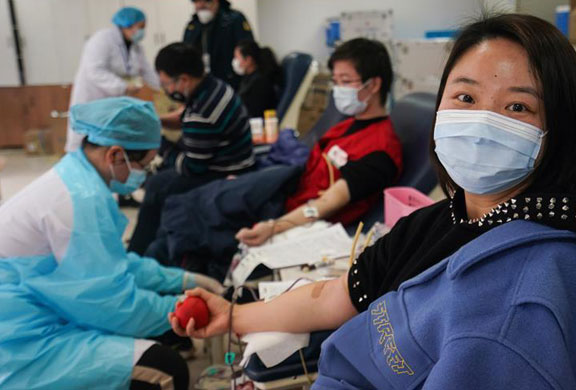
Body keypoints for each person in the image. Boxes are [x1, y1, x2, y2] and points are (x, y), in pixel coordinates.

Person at [170, 14, 576, 389]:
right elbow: (343, 293)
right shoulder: (446, 218)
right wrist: (232, 315)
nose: (482, 122)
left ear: (560, 131)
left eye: (517, 107)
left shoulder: (522, 302)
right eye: (465, 98)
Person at [0, 97, 223, 390]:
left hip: (37, 308)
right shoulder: (81, 199)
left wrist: (183, 279)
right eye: (144, 164)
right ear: (116, 154)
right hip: (20, 344)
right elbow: (113, 306)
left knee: (155, 335)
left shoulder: (76, 176)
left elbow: (112, 261)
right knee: (165, 370)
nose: (144, 174)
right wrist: (183, 309)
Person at [142, 38, 403, 275]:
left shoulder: (380, 151)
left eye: (345, 82)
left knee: (193, 221)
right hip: (283, 189)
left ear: (374, 84)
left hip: (291, 213)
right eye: (335, 81)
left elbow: (327, 203)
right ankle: (147, 268)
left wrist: (275, 226)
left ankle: (153, 274)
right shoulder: (347, 125)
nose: (337, 90)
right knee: (193, 206)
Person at [127, 43, 254, 255]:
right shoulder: (212, 85)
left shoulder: (203, 113)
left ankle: (138, 253)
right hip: (229, 158)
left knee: (157, 187)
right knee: (158, 181)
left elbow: (192, 167)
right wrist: (155, 121)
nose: (167, 90)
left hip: (226, 172)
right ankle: (146, 241)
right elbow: (183, 116)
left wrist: (160, 147)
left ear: (183, 80)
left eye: (167, 84)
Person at [66, 7, 160, 153]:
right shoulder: (102, 39)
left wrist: (165, 86)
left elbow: (146, 71)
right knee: (84, 138)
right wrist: (123, 87)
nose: (142, 32)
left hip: (112, 100)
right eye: (140, 27)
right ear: (127, 25)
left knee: (106, 140)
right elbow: (95, 70)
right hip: (92, 96)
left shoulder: (136, 47)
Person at [184, 0, 254, 89]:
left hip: (232, 80)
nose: (200, 5)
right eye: (197, 2)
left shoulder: (234, 19)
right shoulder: (192, 26)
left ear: (216, 2)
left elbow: (248, 48)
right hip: (203, 82)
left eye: (205, 2)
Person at [233, 39, 281, 118]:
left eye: (237, 58)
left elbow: (254, 112)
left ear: (248, 60)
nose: (235, 61)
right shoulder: (247, 78)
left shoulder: (261, 82)